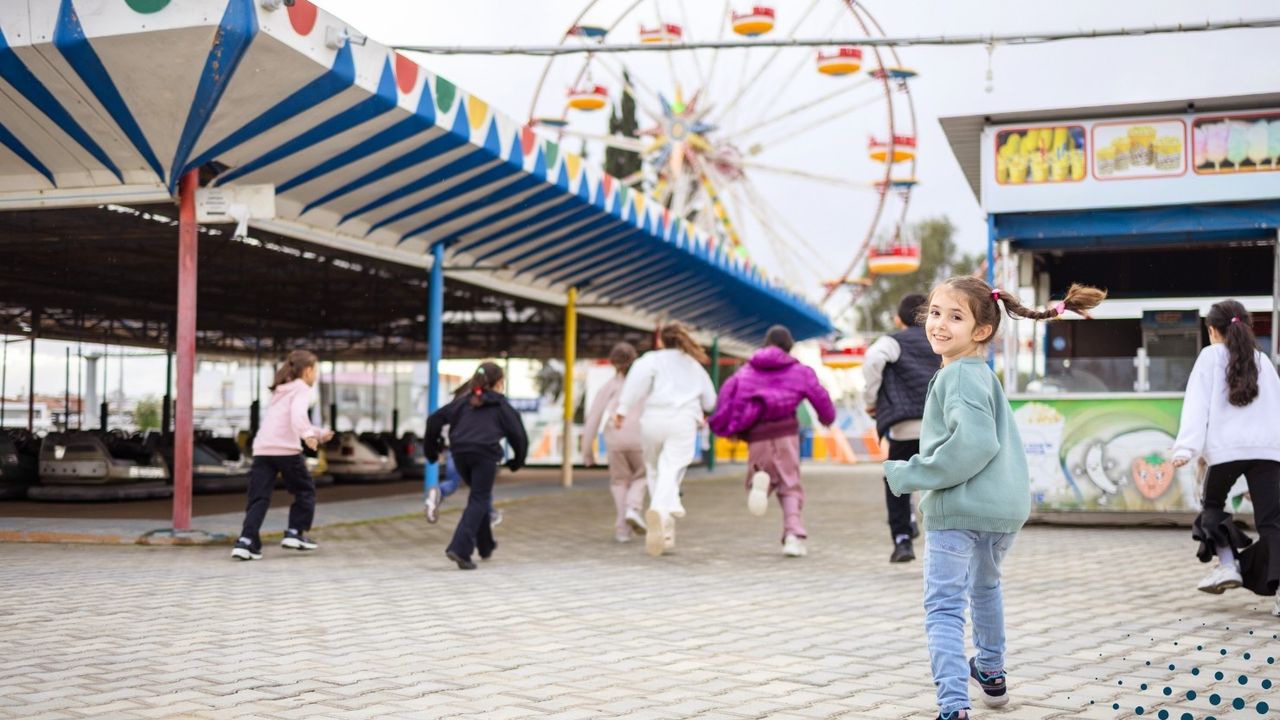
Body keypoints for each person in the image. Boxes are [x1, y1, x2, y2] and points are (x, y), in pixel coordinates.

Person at [885, 277, 1105, 720]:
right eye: (935, 313)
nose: (939, 324)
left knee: (944, 609)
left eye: (955, 316)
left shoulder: (958, 377)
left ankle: (953, 705)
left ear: (981, 330)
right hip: (1000, 510)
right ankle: (990, 671)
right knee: (985, 589)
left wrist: (909, 473)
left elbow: (974, 444)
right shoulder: (978, 374)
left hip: (958, 510)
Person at [1171, 300, 1280, 616]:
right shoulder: (1262, 360)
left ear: (1212, 331)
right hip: (1267, 452)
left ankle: (1229, 565)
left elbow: (1196, 404)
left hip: (1226, 451)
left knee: (1212, 507)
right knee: (1272, 522)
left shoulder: (1209, 357)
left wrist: (1185, 449)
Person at [707, 325, 835, 557]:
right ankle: (793, 536)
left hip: (758, 436)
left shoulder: (747, 371)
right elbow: (819, 396)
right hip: (786, 434)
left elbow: (729, 395)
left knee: (762, 471)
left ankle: (760, 481)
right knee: (790, 486)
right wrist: (827, 417)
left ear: (766, 344)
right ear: (789, 346)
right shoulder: (799, 370)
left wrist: (731, 427)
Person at [615, 322, 716, 557]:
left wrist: (622, 410)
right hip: (683, 421)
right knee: (671, 468)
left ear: (661, 340)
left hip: (652, 420)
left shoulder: (651, 360)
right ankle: (663, 508)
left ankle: (665, 528)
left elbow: (634, 385)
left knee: (653, 469)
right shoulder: (694, 365)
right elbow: (711, 401)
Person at [232, 350, 334, 561]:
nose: (315, 375)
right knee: (305, 490)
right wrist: (308, 436)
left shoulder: (281, 390)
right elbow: (298, 416)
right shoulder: (301, 388)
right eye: (315, 371)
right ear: (307, 371)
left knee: (258, 497)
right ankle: (295, 532)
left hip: (263, 449)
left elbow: (287, 420)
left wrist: (318, 433)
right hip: (286, 450)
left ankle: (246, 541)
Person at [424, 362, 528, 570]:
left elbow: (434, 420)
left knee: (479, 496)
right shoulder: (501, 406)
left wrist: (431, 451)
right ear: (499, 382)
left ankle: (486, 545)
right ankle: (460, 549)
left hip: (460, 454)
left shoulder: (463, 402)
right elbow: (519, 437)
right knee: (479, 499)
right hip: (485, 456)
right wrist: (517, 462)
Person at [863, 293, 941, 563]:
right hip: (941, 426)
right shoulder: (940, 339)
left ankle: (902, 540)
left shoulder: (892, 341)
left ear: (898, 319)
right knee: (939, 480)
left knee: (897, 480)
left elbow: (873, 360)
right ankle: (941, 537)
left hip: (905, 425)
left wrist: (871, 400)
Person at [582, 342, 648, 543]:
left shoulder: (609, 386)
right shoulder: (646, 385)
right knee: (642, 476)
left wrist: (587, 452)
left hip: (615, 438)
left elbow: (593, 418)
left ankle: (622, 530)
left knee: (620, 482)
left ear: (613, 363)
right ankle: (633, 507)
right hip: (641, 438)